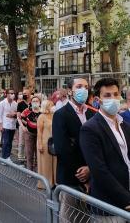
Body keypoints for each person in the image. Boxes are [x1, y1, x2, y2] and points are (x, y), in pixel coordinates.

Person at [80, 78, 130, 214]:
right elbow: (99, 170)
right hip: (109, 204)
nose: (113, 98)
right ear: (98, 99)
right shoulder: (90, 129)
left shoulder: (125, 125)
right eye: (107, 95)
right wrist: (126, 199)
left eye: (115, 94)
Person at [52, 78, 96, 222]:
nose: (83, 89)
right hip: (70, 178)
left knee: (86, 218)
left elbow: (96, 145)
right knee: (68, 217)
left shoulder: (92, 114)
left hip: (91, 176)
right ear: (70, 91)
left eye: (86, 86)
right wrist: (81, 173)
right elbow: (62, 148)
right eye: (79, 86)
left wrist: (90, 169)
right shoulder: (61, 115)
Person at [37, 100, 56, 188]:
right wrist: (40, 144)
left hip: (53, 142)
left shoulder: (54, 115)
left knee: (54, 162)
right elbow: (39, 132)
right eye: (51, 105)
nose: (53, 106)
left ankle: (54, 181)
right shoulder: (41, 116)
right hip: (44, 142)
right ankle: (46, 183)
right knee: (46, 163)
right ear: (47, 106)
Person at [21, 96, 41, 171]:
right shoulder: (27, 110)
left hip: (39, 134)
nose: (35, 102)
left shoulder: (42, 110)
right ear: (31, 103)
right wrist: (25, 126)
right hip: (29, 134)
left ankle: (39, 170)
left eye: (37, 101)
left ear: (39, 103)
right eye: (33, 101)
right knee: (29, 153)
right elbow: (21, 117)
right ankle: (29, 170)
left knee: (38, 153)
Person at [0, 89, 17, 162]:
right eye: (11, 93)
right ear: (7, 94)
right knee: (5, 142)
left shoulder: (15, 103)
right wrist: (1, 125)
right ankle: (4, 158)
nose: (12, 94)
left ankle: (8, 156)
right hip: (5, 125)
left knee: (10, 141)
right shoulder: (2, 103)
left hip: (13, 125)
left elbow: (16, 113)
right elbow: (0, 115)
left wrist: (13, 115)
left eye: (13, 93)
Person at [17, 88, 31, 161]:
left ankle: (28, 158)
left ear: (29, 94)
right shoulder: (20, 104)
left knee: (29, 143)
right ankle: (21, 157)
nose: (24, 95)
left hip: (31, 126)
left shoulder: (32, 103)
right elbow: (18, 116)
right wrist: (22, 126)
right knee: (21, 142)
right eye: (23, 93)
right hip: (22, 125)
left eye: (25, 93)